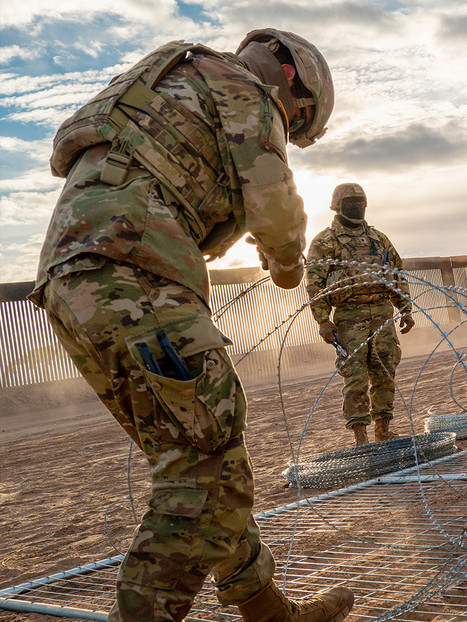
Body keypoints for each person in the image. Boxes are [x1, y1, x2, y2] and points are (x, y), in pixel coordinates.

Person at [28, 30, 354, 622]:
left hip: (70, 282)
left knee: (200, 457)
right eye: (297, 122)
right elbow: (275, 204)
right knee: (206, 464)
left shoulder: (173, 82)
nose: (288, 126)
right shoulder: (246, 90)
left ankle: (268, 612)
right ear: (293, 83)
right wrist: (286, 266)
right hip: (135, 273)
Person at [306, 183, 415, 445]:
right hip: (348, 317)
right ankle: (360, 436)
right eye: (350, 203)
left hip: (382, 312)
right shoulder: (325, 241)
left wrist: (405, 308)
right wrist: (322, 320)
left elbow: (396, 272)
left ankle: (383, 428)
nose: (356, 207)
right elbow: (314, 284)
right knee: (355, 376)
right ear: (337, 206)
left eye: (360, 203)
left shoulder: (379, 239)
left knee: (385, 372)